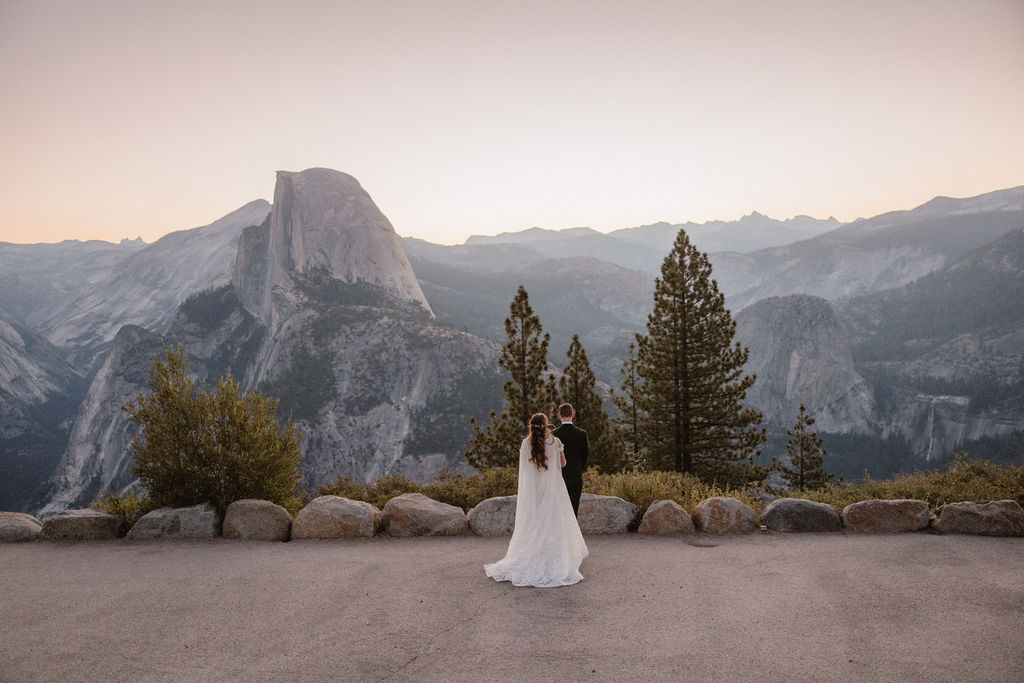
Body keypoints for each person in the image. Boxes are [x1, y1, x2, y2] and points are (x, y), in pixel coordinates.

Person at [484, 413, 589, 587]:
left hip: (536, 489)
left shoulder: (526, 443)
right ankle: (555, 556)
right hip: (553, 489)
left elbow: (525, 470)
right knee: (554, 522)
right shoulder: (555, 442)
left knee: (536, 522)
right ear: (546, 425)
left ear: (531, 425)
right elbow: (563, 464)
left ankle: (534, 554)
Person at [552, 403, 588, 517]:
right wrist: (578, 469)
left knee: (559, 510)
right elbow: (585, 456)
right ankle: (573, 534)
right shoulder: (582, 434)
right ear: (573, 414)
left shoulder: (553, 434)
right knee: (574, 509)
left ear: (559, 415)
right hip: (576, 475)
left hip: (558, 476)